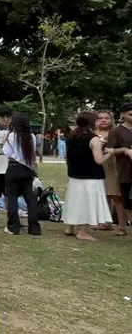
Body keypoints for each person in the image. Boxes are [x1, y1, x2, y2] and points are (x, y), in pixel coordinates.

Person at [63, 112, 118, 241]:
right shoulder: (94, 139)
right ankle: (82, 231)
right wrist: (109, 153)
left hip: (75, 175)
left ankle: (70, 227)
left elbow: (68, 156)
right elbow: (99, 160)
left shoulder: (71, 136)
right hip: (91, 176)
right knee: (88, 203)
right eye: (97, 120)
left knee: (75, 202)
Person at [2, 113, 40, 235]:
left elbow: (7, 153)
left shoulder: (12, 136)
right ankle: (34, 227)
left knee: (12, 198)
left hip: (14, 167)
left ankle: (14, 226)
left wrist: (4, 142)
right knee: (30, 198)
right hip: (27, 169)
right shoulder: (32, 137)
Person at [106, 102, 132, 236]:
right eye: (130, 114)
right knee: (122, 198)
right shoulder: (116, 131)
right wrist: (124, 150)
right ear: (123, 114)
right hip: (124, 169)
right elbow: (109, 150)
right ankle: (122, 226)